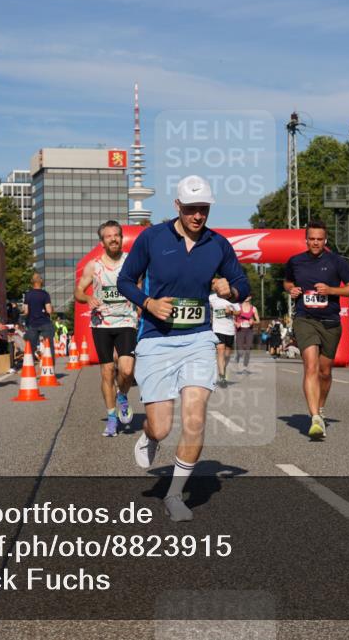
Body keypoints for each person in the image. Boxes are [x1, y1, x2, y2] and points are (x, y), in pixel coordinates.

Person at [117, 175, 250, 521]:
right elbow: (124, 281)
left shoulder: (218, 244)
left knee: (195, 418)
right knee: (161, 427)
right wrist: (148, 303)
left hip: (198, 339)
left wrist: (230, 290)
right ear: (177, 206)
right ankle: (150, 437)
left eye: (203, 209)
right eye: (191, 209)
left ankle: (175, 495)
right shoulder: (152, 238)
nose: (197, 216)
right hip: (157, 340)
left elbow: (242, 284)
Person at [284, 220, 349, 439]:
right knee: (310, 366)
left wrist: (331, 290)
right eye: (312, 239)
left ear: (325, 240)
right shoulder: (295, 261)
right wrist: (292, 289)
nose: (315, 243)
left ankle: (321, 407)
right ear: (305, 240)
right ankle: (315, 417)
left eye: (319, 239)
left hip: (330, 322)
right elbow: (287, 282)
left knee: (325, 372)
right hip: (305, 319)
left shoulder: (336, 261)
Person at [75, 220, 140, 437]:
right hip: (101, 322)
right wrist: (87, 297)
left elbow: (138, 286)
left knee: (127, 370)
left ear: (121, 239)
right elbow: (78, 291)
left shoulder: (132, 262)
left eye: (116, 235)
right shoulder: (93, 266)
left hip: (127, 320)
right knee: (107, 371)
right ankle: (111, 418)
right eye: (109, 236)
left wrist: (140, 306)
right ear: (102, 241)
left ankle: (122, 395)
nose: (113, 239)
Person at [209, 289, 240, 386]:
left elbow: (238, 312)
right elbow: (205, 305)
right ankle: (222, 375)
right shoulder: (212, 297)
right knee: (220, 350)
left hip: (229, 329)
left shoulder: (232, 298)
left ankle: (223, 368)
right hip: (218, 328)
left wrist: (230, 312)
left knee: (227, 354)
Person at [22, 274, 54, 354]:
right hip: (45, 323)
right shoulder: (45, 294)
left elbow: (26, 311)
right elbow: (49, 310)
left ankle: (30, 363)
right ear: (41, 282)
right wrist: (52, 309)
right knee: (49, 346)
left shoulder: (28, 295)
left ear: (32, 282)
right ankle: (50, 364)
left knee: (31, 347)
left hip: (32, 323)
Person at [233, 297, 260, 372]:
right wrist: (236, 323)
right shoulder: (238, 307)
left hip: (249, 330)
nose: (246, 297)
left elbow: (258, 321)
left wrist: (253, 321)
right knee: (240, 350)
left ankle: (245, 366)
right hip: (240, 330)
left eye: (248, 295)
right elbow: (232, 318)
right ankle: (238, 357)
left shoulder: (253, 308)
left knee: (248, 349)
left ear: (250, 297)